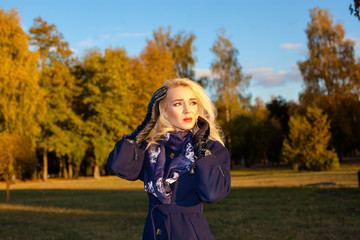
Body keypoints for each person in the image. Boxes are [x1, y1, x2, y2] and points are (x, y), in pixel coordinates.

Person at [107, 78, 231, 240]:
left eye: (192, 102)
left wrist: (200, 150)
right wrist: (143, 128)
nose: (187, 110)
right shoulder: (152, 148)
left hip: (190, 234)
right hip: (153, 233)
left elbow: (212, 194)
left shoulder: (212, 149)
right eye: (178, 104)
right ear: (164, 111)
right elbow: (118, 167)